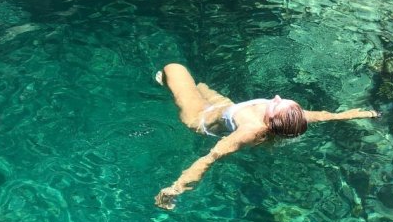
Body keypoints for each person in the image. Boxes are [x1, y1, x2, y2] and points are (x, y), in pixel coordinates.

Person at [154, 63, 379, 209]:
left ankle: (165, 83)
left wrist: (175, 189)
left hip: (199, 118)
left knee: (174, 68)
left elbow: (208, 159)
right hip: (224, 108)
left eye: (278, 103)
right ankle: (188, 86)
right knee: (201, 85)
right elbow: (326, 116)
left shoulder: (249, 130)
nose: (277, 97)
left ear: (270, 119)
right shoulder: (290, 118)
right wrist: (367, 113)